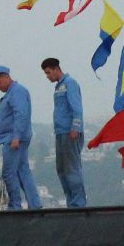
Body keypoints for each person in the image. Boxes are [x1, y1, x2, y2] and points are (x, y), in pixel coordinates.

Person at [0, 65, 40, 209]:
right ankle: (35, 204)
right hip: (15, 137)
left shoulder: (16, 92)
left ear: (6, 77)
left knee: (9, 173)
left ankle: (15, 205)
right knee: (23, 171)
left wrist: (16, 137)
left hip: (13, 139)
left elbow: (21, 115)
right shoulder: (13, 92)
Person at [42, 57, 88, 207]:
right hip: (60, 132)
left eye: (48, 72)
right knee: (61, 169)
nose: (48, 76)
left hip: (70, 133)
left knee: (72, 169)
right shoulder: (58, 87)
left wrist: (75, 127)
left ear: (56, 69)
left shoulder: (70, 84)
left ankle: (78, 203)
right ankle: (71, 202)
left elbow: (77, 108)